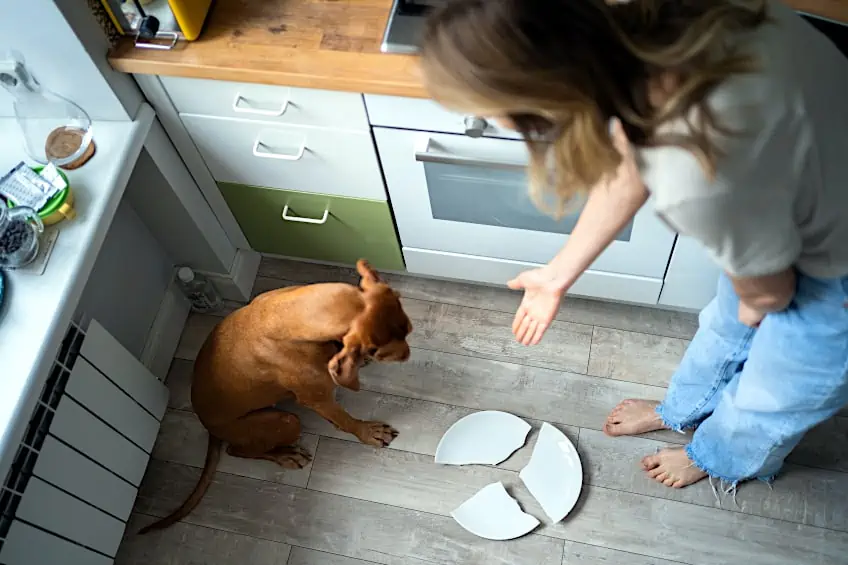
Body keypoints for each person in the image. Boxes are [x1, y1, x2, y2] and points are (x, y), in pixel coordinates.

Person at [420, 0, 848, 489]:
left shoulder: (694, 172)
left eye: (487, 112)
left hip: (834, 269)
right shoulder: (648, 34)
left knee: (773, 397)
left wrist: (757, 308)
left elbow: (771, 293)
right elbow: (633, 155)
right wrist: (556, 276)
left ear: (543, 102)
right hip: (799, 195)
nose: (491, 121)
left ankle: (716, 456)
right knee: (723, 329)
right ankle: (683, 411)